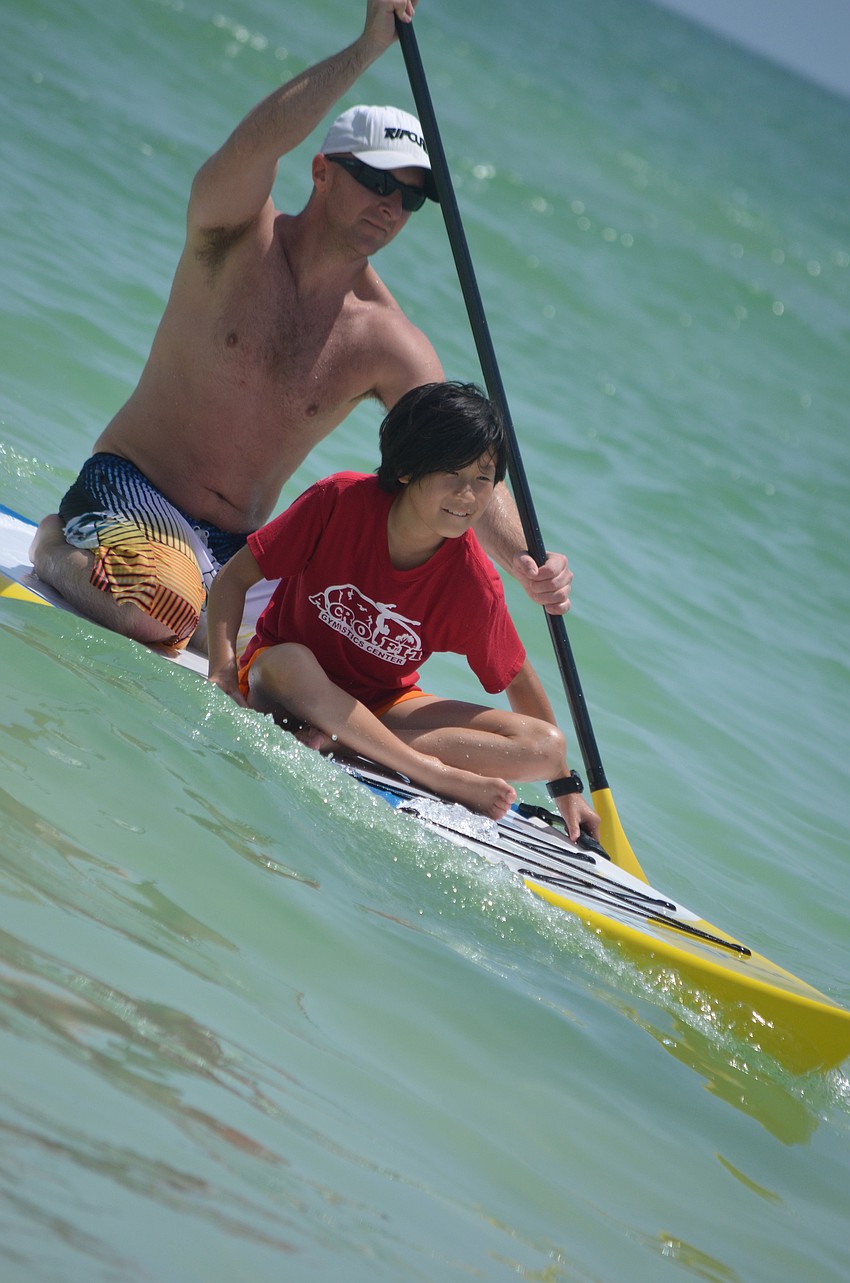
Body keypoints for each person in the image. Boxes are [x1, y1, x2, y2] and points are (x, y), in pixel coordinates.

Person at [29, 0, 573, 652]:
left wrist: (525, 563)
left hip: (245, 544)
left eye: (410, 196)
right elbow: (255, 144)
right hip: (135, 483)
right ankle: (55, 542)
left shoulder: (386, 342)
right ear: (320, 170)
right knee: (161, 611)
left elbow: (464, 465)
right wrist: (368, 45)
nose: (391, 206)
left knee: (325, 661)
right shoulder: (233, 235)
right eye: (376, 180)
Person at [207, 382, 599, 840]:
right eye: (452, 474)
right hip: (282, 683)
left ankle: (346, 744)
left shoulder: (471, 581)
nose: (468, 496)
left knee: (545, 745)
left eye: (482, 478)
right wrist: (222, 669)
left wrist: (565, 784)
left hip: (384, 705)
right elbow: (233, 580)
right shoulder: (339, 502)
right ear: (409, 467)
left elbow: (516, 677)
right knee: (292, 661)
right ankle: (429, 772)